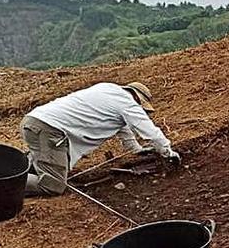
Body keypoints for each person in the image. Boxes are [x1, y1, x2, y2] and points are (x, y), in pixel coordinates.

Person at [20, 81, 180, 196]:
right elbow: (150, 131)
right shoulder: (128, 103)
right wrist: (168, 152)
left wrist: (135, 149)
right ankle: (2, 182)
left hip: (36, 121)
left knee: (40, 165)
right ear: (138, 99)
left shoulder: (108, 90)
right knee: (54, 185)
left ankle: (19, 168)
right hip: (48, 129)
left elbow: (122, 127)